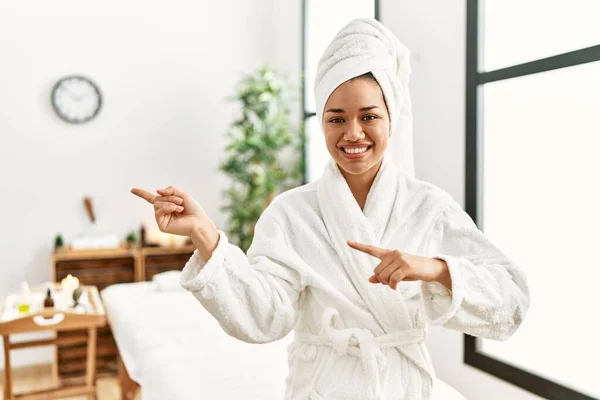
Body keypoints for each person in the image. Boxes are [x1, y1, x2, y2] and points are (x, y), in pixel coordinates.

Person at [131, 18, 529, 400]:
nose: (352, 133)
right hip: (323, 389)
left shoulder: (428, 206)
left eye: (369, 116)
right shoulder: (290, 213)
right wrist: (205, 235)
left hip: (404, 386)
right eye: (336, 118)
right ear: (321, 124)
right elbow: (263, 319)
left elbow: (510, 303)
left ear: (391, 120)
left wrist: (434, 269)